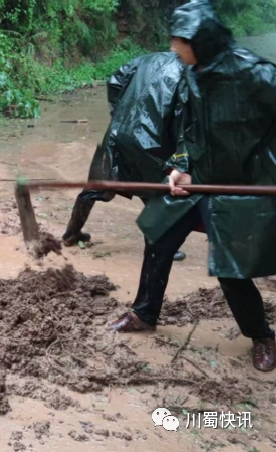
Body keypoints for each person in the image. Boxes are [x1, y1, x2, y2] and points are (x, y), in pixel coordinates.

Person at [109, 0, 276, 373]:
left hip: (242, 185)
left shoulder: (255, 73)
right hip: (200, 176)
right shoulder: (193, 73)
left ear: (200, 41)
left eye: (178, 41)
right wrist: (180, 166)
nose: (172, 49)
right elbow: (191, 131)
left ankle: (262, 336)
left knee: (231, 269)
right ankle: (144, 313)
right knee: (159, 236)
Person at [62, 52, 188, 261]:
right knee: (154, 191)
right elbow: (182, 117)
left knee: (95, 185)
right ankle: (164, 245)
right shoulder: (188, 73)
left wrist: (119, 113)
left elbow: (115, 81)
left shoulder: (147, 59)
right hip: (151, 142)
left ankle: (71, 234)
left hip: (117, 132)